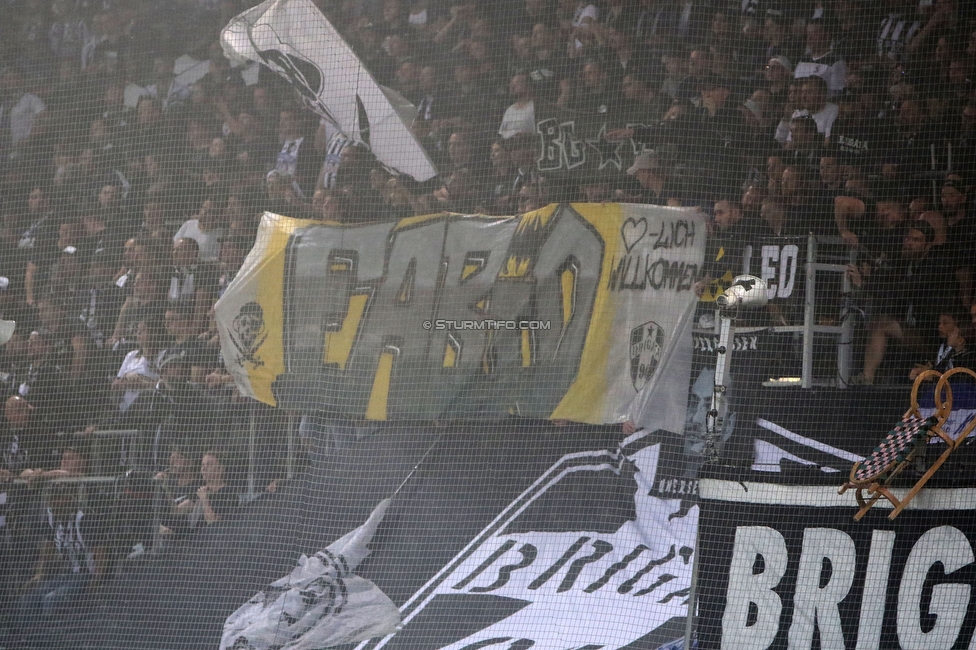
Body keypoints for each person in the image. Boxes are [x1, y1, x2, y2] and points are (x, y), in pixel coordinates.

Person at [14, 482, 108, 643]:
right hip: (65, 574)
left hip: (85, 575)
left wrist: (96, 580)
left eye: (57, 499)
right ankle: (25, 641)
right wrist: (39, 574)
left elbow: (101, 552)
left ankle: (54, 641)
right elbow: (48, 549)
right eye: (50, 500)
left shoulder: (85, 518)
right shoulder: (53, 517)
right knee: (28, 599)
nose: (52, 504)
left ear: (67, 499)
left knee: (51, 600)